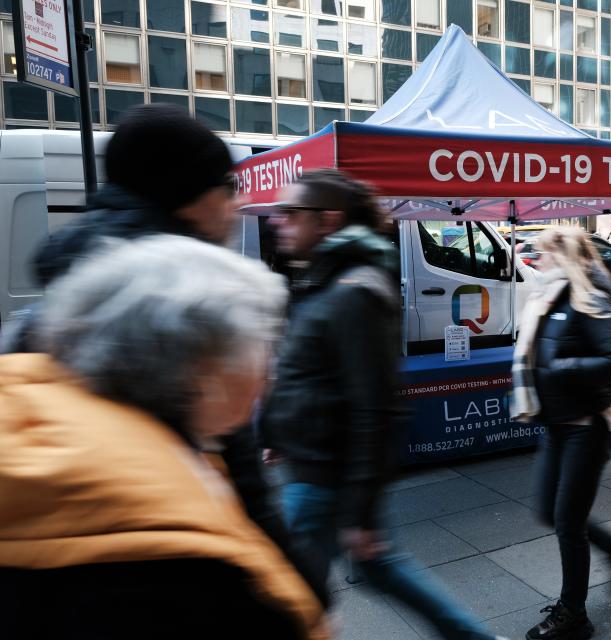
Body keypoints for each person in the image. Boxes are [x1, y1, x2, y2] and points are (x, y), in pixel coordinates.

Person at [0, 103, 327, 604]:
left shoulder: (60, 297)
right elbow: (246, 487)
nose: (236, 206)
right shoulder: (184, 311)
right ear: (191, 197)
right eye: (228, 188)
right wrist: (306, 597)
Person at [0, 236, 326, 639]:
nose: (270, 370)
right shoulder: (189, 561)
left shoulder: (50, 418)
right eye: (264, 346)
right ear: (205, 370)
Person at [258, 169, 503, 640]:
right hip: (310, 466)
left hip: (325, 477)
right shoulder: (324, 280)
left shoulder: (356, 291)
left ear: (327, 220)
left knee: (289, 593)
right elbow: (303, 368)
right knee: (377, 571)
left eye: (291, 214)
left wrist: (364, 513)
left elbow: (377, 408)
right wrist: (274, 429)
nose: (277, 223)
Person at [512, 226, 611, 640]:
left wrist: (564, 371)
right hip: (557, 424)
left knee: (568, 521)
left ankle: (574, 615)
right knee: (549, 511)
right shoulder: (548, 298)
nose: (537, 260)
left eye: (544, 254)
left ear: (563, 256)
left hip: (587, 428)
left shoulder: (588, 299)